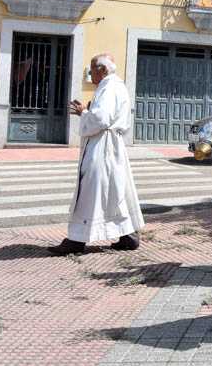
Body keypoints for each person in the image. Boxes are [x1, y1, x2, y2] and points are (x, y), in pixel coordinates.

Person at [49, 54, 144, 255]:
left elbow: (101, 119)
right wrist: (87, 111)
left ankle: (76, 240)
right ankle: (128, 236)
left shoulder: (108, 88)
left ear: (102, 70)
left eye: (92, 69)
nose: (90, 73)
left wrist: (84, 112)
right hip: (112, 146)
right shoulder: (117, 85)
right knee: (114, 192)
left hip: (102, 146)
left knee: (89, 190)